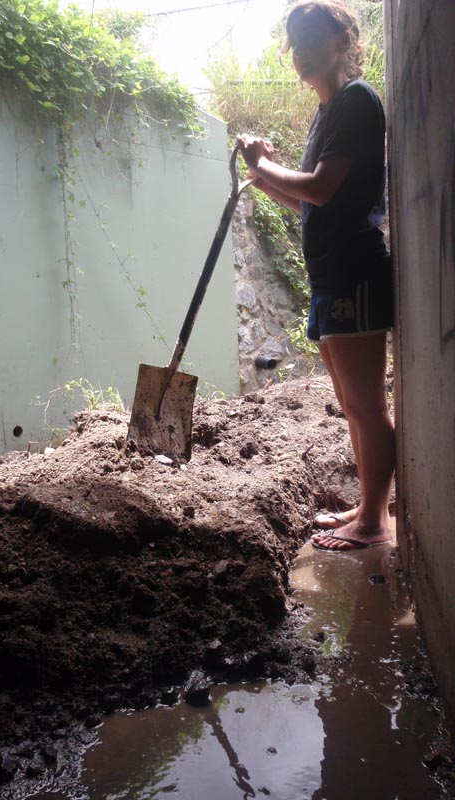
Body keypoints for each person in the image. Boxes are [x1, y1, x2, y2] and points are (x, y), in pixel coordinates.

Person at [237, 0, 395, 552]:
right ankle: (368, 505)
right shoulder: (327, 114)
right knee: (352, 404)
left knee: (366, 404)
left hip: (354, 273)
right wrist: (268, 182)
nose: (298, 49)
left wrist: (264, 165)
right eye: (292, 40)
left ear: (341, 40)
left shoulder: (355, 101)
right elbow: (311, 202)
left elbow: (323, 187)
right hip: (331, 279)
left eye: (308, 36)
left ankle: (374, 521)